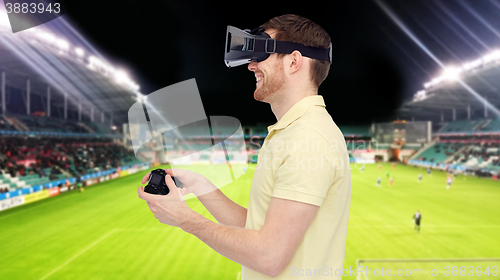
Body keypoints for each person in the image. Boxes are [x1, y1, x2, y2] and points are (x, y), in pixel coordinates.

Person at [137, 14, 350, 279]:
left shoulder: (308, 138)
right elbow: (259, 230)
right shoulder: (295, 132)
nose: (251, 66)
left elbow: (269, 256)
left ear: (294, 62)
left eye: (261, 53)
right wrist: (201, 186)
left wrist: (184, 219)